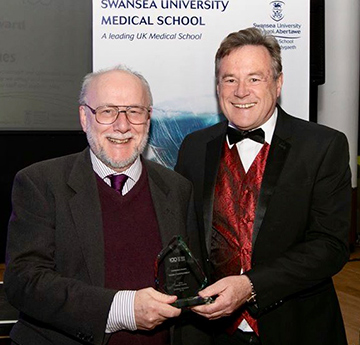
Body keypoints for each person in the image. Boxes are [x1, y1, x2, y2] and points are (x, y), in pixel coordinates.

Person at [5, 65, 210, 345]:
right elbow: (25, 282)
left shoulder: (176, 188)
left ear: (148, 118)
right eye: (107, 111)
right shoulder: (41, 184)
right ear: (84, 117)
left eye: (134, 111)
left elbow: (187, 288)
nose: (122, 125)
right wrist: (123, 309)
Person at [175, 27, 351, 345]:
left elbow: (330, 246)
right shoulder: (194, 147)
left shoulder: (323, 147)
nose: (241, 91)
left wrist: (251, 285)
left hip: (296, 329)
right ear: (218, 86)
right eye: (230, 79)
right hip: (211, 333)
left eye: (255, 78)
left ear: (278, 83)